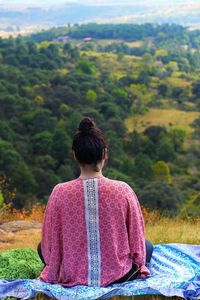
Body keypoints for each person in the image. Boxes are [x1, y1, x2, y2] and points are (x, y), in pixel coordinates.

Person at [37, 117, 153, 287]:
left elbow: (48, 245)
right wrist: (140, 262)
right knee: (147, 246)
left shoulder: (59, 192)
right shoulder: (123, 189)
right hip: (119, 275)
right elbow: (136, 239)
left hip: (70, 274)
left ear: (75, 155)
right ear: (104, 153)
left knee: (41, 247)